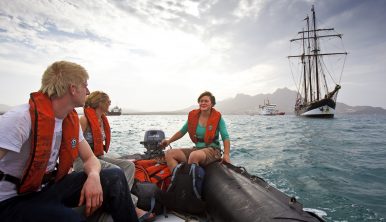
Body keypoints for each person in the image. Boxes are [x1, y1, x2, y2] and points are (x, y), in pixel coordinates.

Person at [0, 61, 138, 222]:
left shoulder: (67, 119)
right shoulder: (20, 119)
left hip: (47, 190)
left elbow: (90, 158)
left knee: (115, 176)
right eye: (85, 85)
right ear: (73, 89)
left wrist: (94, 176)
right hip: (11, 201)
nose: (88, 91)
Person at [73, 91, 154, 221]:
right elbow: (73, 144)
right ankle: (130, 205)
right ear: (100, 102)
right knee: (116, 171)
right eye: (108, 101)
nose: (110, 103)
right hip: (83, 160)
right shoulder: (84, 120)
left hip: (97, 157)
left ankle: (120, 200)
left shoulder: (101, 120)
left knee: (129, 165)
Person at [161, 91, 230, 171]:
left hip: (213, 150)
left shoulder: (218, 118)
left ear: (212, 104)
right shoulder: (194, 117)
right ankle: (178, 179)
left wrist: (226, 154)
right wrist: (169, 141)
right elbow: (182, 132)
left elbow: (225, 137)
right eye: (201, 101)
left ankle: (192, 181)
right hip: (197, 149)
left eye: (206, 101)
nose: (203, 103)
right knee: (169, 153)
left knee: (194, 156)